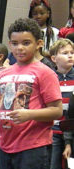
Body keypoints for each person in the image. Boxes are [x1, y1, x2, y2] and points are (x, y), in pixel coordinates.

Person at [0, 18, 63, 169]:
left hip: (33, 147)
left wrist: (29, 114)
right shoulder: (3, 75)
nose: (20, 48)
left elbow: (57, 111)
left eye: (26, 43)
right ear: (10, 44)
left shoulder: (45, 72)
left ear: (38, 44)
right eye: (15, 43)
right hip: (5, 145)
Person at [49, 38, 74, 169]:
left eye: (72, 52)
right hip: (54, 130)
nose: (70, 55)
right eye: (65, 53)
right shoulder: (50, 78)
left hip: (72, 131)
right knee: (54, 165)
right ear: (54, 58)